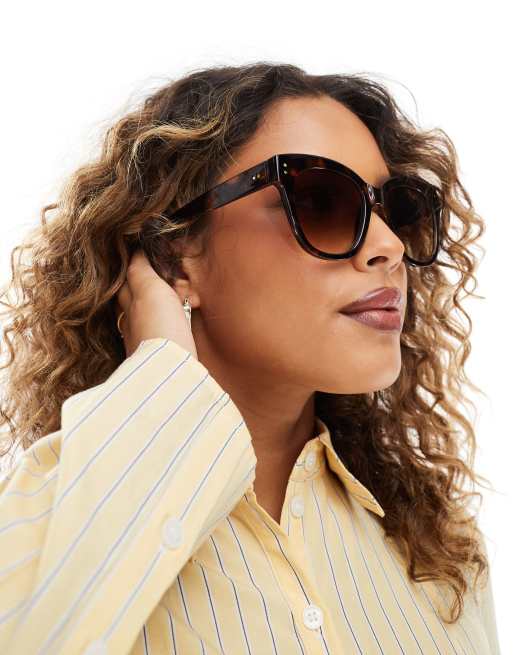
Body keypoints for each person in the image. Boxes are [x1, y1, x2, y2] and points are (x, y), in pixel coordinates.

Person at [0, 62, 501, 654]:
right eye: (319, 200)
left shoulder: (441, 553)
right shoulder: (43, 518)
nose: (389, 246)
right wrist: (163, 368)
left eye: (396, 209)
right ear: (177, 254)